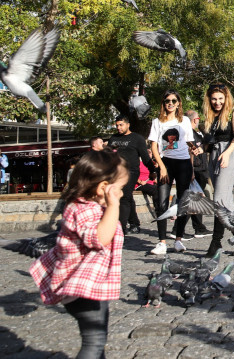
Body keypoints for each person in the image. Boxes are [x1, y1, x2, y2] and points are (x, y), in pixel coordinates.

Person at [30, 150, 128, 359]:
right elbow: (99, 239)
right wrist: (114, 205)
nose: (122, 193)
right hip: (82, 289)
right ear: (104, 188)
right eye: (120, 188)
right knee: (93, 343)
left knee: (97, 340)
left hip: (88, 285)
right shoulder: (86, 210)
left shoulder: (81, 205)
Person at [148, 90, 195, 255]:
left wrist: (193, 166)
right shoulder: (157, 122)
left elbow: (190, 144)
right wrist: (161, 166)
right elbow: (153, 146)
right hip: (165, 163)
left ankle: (178, 240)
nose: (170, 103)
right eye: (167, 100)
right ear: (163, 103)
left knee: (182, 203)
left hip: (183, 164)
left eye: (174, 101)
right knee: (161, 203)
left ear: (178, 103)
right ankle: (161, 242)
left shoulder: (185, 121)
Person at [202, 84, 234, 257]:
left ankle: (216, 242)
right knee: (226, 202)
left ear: (226, 98)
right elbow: (208, 141)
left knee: (218, 200)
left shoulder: (233, 111)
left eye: (220, 98)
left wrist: (227, 153)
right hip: (213, 156)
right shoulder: (210, 115)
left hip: (229, 153)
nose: (217, 102)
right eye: (214, 99)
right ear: (209, 99)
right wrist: (200, 149)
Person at [168, 110, 213, 239]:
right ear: (195, 120)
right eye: (198, 118)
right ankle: (177, 229)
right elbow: (189, 154)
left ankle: (199, 228)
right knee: (190, 201)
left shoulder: (195, 134)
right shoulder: (188, 135)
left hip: (199, 170)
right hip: (195, 171)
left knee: (196, 200)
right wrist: (191, 171)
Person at [110, 114, 155, 235]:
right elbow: (108, 156)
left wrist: (153, 171)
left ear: (128, 125)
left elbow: (145, 158)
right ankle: (134, 223)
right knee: (128, 197)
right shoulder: (113, 138)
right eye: (117, 125)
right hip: (116, 173)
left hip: (132, 171)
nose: (119, 127)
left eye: (121, 125)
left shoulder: (137, 138)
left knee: (124, 196)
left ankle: (120, 228)